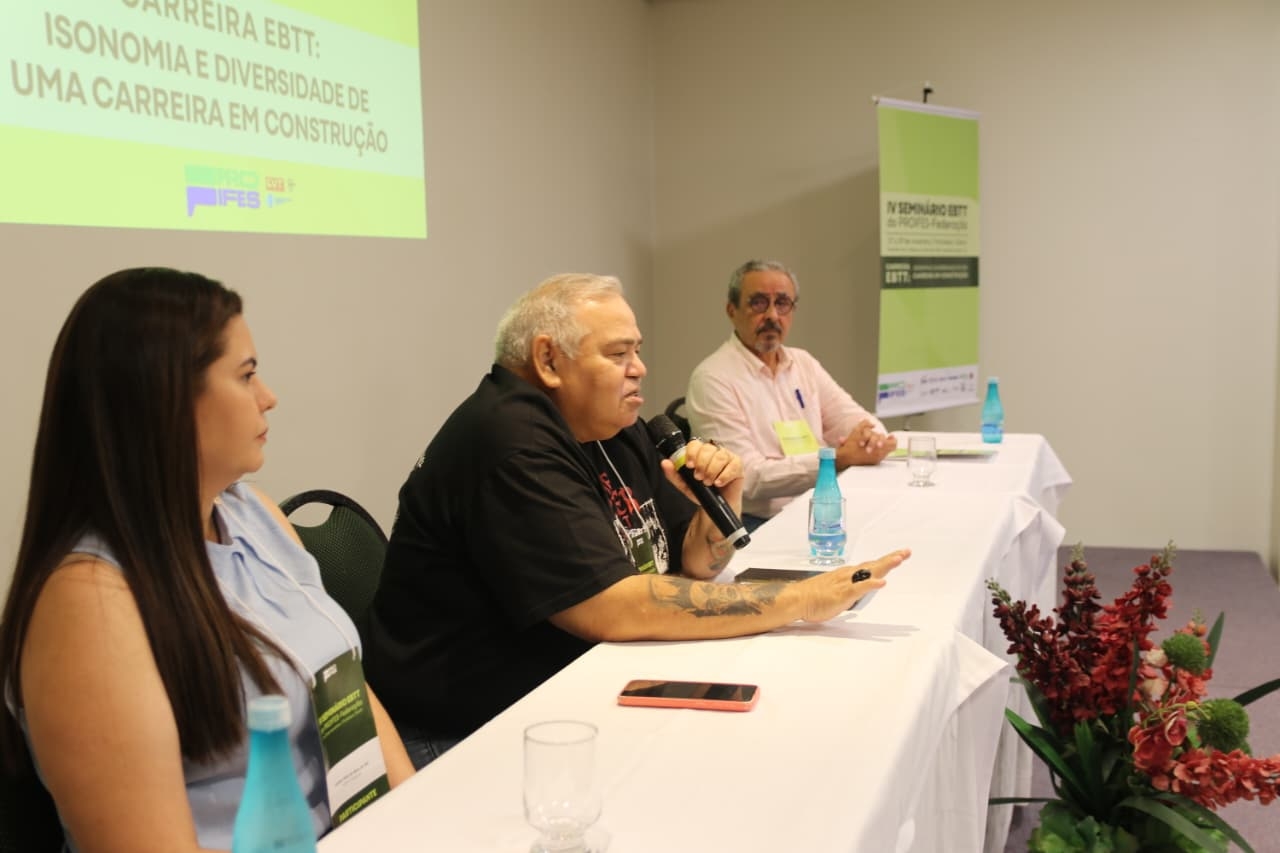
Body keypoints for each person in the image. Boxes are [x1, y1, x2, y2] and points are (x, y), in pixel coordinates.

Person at [363, 273, 908, 766]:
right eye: (619, 353)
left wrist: (721, 508)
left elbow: (692, 561)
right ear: (548, 361)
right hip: (463, 733)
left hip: (572, 687)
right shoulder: (510, 440)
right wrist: (798, 601)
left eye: (638, 350)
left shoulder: (610, 427)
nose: (639, 368)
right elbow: (611, 608)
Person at [0, 268, 413, 853]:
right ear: (166, 402)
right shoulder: (88, 603)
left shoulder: (255, 515)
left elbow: (347, 688)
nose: (268, 396)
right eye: (246, 375)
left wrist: (420, 817)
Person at [686, 260, 898, 528]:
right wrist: (835, 460)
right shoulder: (713, 378)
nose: (772, 315)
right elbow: (746, 477)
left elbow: (856, 418)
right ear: (732, 310)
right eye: (759, 303)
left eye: (782, 303)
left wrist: (870, 439)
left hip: (820, 505)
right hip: (758, 522)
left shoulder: (803, 363)